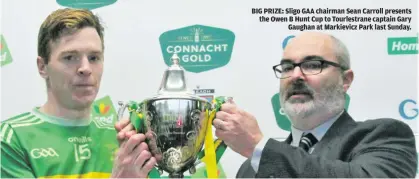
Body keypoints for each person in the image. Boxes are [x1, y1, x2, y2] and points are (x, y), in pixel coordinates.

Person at [210, 31, 417, 178]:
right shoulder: (250, 168)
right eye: (288, 67)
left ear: (346, 80)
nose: (296, 75)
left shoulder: (384, 136)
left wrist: (260, 147)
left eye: (312, 65)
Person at [1, 8, 155, 178]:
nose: (85, 68)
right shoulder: (12, 139)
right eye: (70, 57)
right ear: (42, 67)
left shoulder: (124, 140)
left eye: (94, 58)